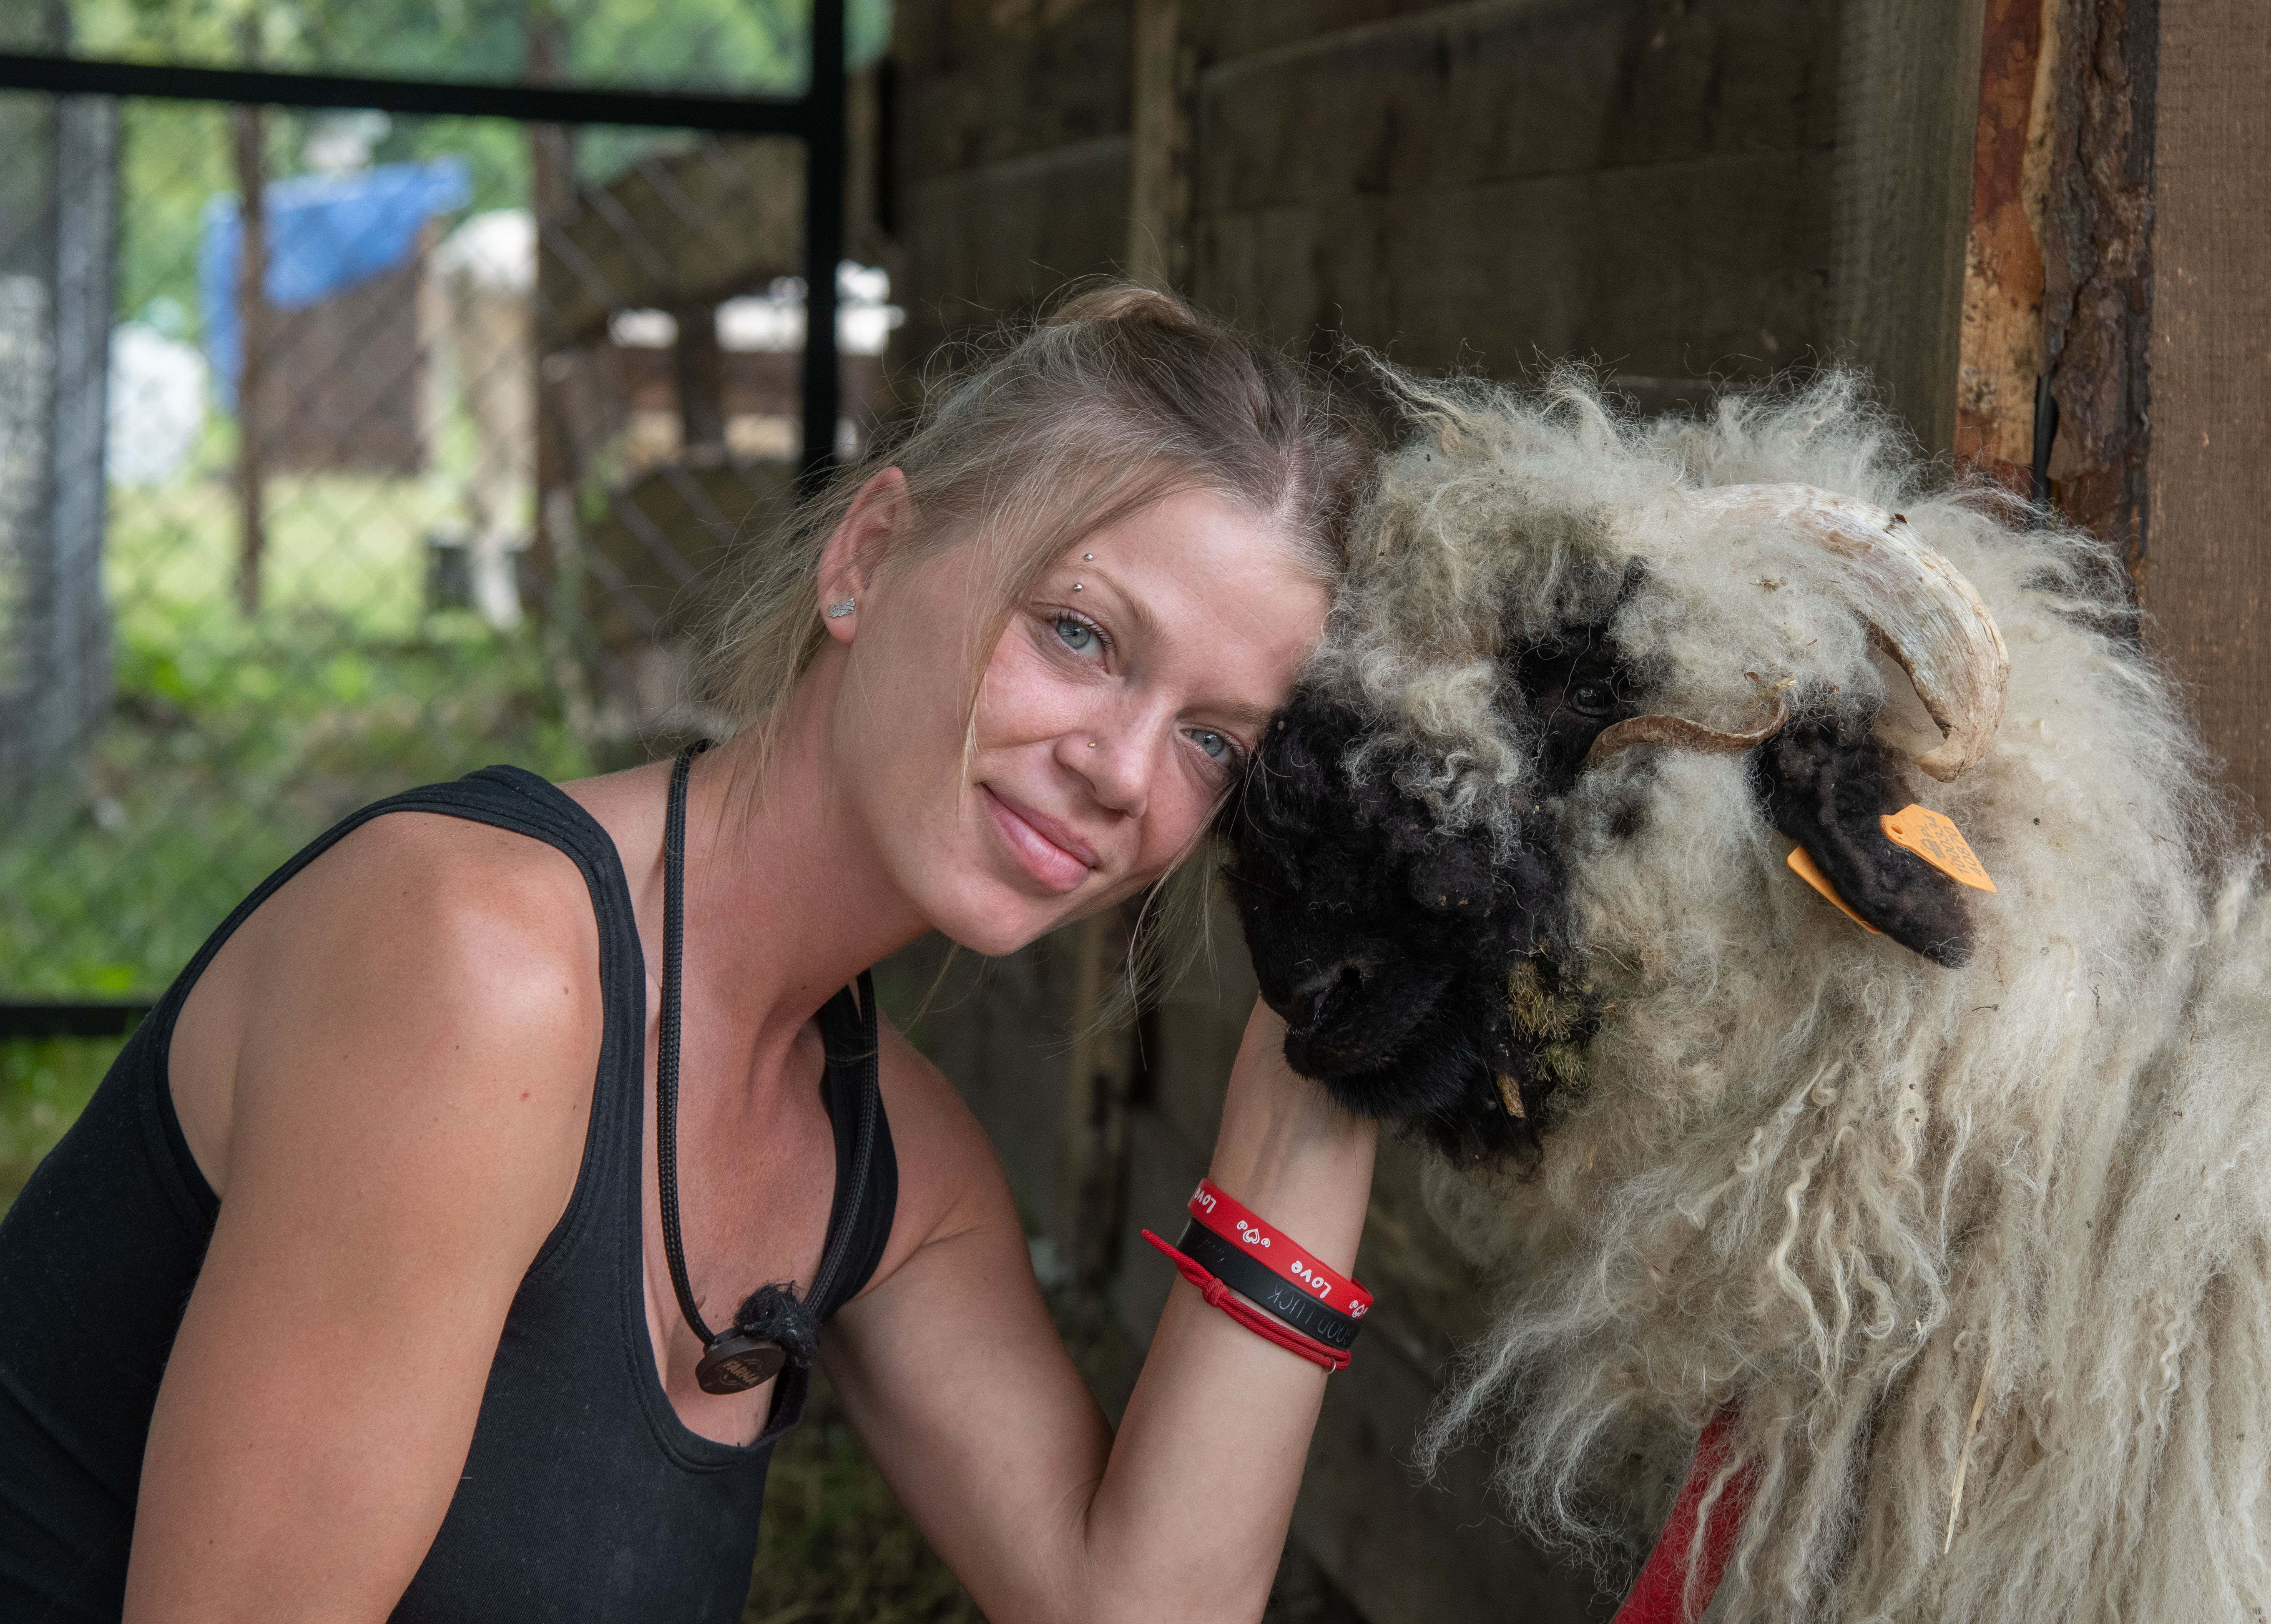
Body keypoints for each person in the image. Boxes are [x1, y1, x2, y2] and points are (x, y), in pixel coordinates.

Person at [0, 285, 1383, 1621]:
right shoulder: (479, 971)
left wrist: (1324, 1054)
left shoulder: (893, 1160)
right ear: (866, 556)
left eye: (1215, 742)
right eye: (1079, 635)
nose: (1122, 771)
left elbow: (1140, 1606)